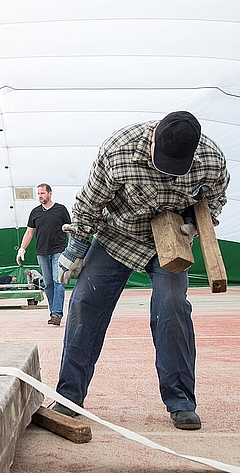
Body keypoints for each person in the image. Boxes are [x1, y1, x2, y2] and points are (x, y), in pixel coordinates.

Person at [53, 111, 229, 431]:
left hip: (170, 243)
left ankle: (180, 402)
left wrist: (192, 226)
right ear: (153, 140)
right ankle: (68, 397)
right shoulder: (119, 151)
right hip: (117, 236)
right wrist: (75, 250)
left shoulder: (211, 161)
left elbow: (215, 199)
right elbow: (90, 204)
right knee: (83, 305)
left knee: (172, 308)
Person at [16, 183, 71, 326]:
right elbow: (29, 232)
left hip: (58, 251)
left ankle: (57, 314)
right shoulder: (35, 212)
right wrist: (22, 248)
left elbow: (69, 230)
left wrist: (72, 249)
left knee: (58, 281)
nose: (40, 196)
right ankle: (53, 312)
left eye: (43, 193)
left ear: (50, 193)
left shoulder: (61, 210)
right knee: (48, 284)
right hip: (42, 253)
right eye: (39, 194)